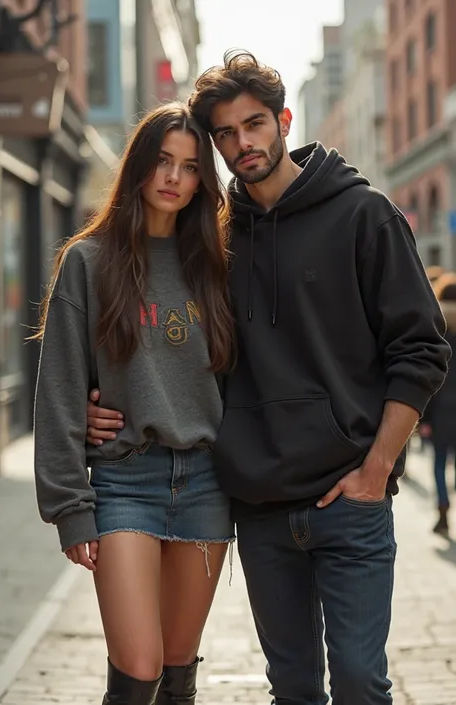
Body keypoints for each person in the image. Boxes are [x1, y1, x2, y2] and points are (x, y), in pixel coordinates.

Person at [85, 52, 450, 705]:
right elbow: (169, 341)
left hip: (352, 499)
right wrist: (102, 405)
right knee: (292, 688)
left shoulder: (365, 216)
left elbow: (421, 349)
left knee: (363, 683)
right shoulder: (218, 240)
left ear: (283, 121)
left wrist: (378, 467)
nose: (241, 143)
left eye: (254, 124)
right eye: (224, 134)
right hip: (258, 505)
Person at [33, 103, 236, 705]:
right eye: (162, 161)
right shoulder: (89, 260)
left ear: (204, 179)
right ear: (139, 166)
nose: (174, 177)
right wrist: (70, 503)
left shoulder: (217, 265)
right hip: (125, 479)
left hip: (205, 483)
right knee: (138, 666)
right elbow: (60, 386)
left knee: (177, 668)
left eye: (191, 167)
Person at [419, 272, 456, 537]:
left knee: (439, 462)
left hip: (441, 406)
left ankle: (442, 508)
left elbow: (429, 374)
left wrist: (424, 418)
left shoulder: (436, 324)